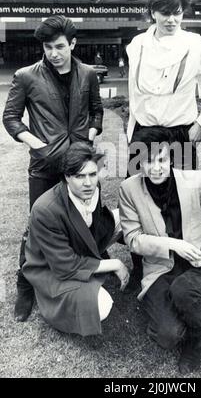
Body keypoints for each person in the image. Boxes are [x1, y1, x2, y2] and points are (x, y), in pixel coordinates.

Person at [2, 15, 103, 322]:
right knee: (37, 226)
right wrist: (36, 142)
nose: (54, 53)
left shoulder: (88, 74)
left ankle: (78, 272)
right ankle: (25, 285)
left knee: (84, 220)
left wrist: (91, 135)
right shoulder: (26, 76)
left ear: (73, 43)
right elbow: (11, 118)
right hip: (45, 166)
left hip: (79, 163)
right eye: (48, 47)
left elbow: (96, 111)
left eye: (60, 46)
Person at [125, 0, 201, 290]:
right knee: (142, 200)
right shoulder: (137, 44)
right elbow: (134, 95)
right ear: (152, 12)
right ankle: (144, 268)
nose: (171, 19)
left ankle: (184, 266)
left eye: (177, 13)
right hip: (144, 134)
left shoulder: (198, 46)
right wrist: (133, 133)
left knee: (181, 201)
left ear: (184, 13)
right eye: (164, 12)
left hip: (181, 133)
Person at [119, 127, 201, 374]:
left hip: (197, 263)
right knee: (167, 337)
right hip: (159, 268)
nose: (156, 168)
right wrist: (174, 244)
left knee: (183, 290)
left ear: (171, 157)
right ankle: (180, 307)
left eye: (162, 160)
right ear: (138, 161)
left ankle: (199, 335)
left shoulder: (196, 181)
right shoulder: (128, 189)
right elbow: (132, 239)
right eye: (148, 161)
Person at [22, 142, 129, 336]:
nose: (88, 183)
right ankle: (54, 303)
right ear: (66, 177)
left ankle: (149, 276)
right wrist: (114, 263)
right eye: (79, 176)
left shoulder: (93, 188)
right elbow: (65, 266)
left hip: (82, 246)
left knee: (130, 217)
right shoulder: (46, 210)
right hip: (53, 268)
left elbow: (92, 225)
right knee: (101, 305)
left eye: (92, 174)